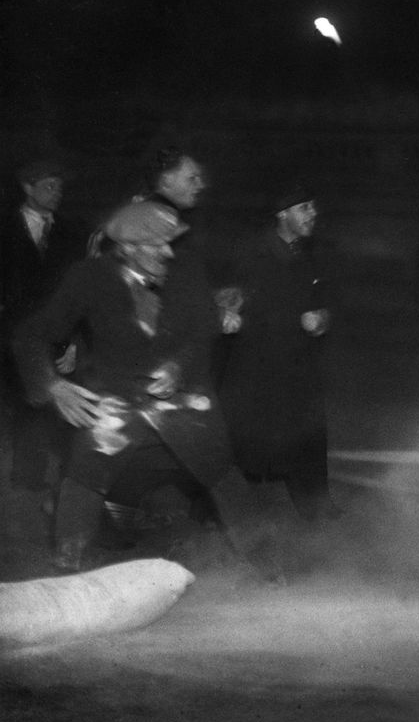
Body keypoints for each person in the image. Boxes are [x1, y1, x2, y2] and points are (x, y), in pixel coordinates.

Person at [11, 201, 282, 577]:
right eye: (157, 244)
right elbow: (31, 335)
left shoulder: (186, 270)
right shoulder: (89, 277)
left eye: (170, 242)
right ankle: (68, 573)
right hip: (114, 401)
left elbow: (204, 328)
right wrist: (53, 386)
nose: (168, 252)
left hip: (184, 400)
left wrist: (179, 367)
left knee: (222, 474)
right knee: (83, 478)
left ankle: (268, 567)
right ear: (129, 246)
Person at [218, 186, 340, 522]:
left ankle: (315, 503)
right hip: (258, 365)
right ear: (282, 214)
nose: (312, 214)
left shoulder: (310, 254)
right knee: (248, 439)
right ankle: (225, 511)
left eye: (314, 208)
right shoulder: (253, 255)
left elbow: (331, 303)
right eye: (304, 208)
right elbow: (233, 306)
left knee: (311, 432)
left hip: (300, 363)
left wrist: (323, 317)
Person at [1, 159, 89, 502]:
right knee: (27, 404)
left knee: (68, 405)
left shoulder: (72, 232)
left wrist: (76, 341)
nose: (57, 194)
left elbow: (82, 290)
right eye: (49, 186)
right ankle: (27, 478)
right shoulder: (4, 228)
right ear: (27, 187)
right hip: (13, 336)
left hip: (60, 335)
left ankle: (73, 481)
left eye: (60, 187)